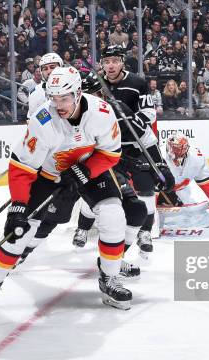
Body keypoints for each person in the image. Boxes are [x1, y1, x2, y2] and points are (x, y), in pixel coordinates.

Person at [0, 67, 132, 310]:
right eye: (54, 98)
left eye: (64, 98)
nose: (59, 105)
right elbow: (22, 167)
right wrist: (18, 207)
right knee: (19, 231)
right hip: (49, 176)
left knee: (113, 215)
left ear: (78, 93)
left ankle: (110, 277)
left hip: (90, 170)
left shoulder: (101, 112)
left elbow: (110, 153)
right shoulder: (42, 119)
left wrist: (84, 171)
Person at [73, 45, 174, 259]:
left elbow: (149, 114)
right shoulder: (95, 84)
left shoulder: (137, 83)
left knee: (146, 189)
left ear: (122, 63)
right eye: (106, 62)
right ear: (102, 64)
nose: (110, 66)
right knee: (98, 188)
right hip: (111, 148)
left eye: (115, 61)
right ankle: (82, 227)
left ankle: (145, 232)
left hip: (138, 144)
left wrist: (130, 119)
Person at [158, 134, 209, 235]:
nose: (178, 152)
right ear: (168, 147)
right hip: (157, 190)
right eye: (175, 149)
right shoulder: (158, 155)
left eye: (181, 149)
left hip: (181, 191)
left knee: (190, 216)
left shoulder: (196, 158)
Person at [27, 52, 63, 118]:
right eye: (45, 69)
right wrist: (51, 113)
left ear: (61, 67)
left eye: (52, 67)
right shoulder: (36, 92)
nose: (49, 71)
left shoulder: (73, 86)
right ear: (41, 72)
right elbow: (34, 120)